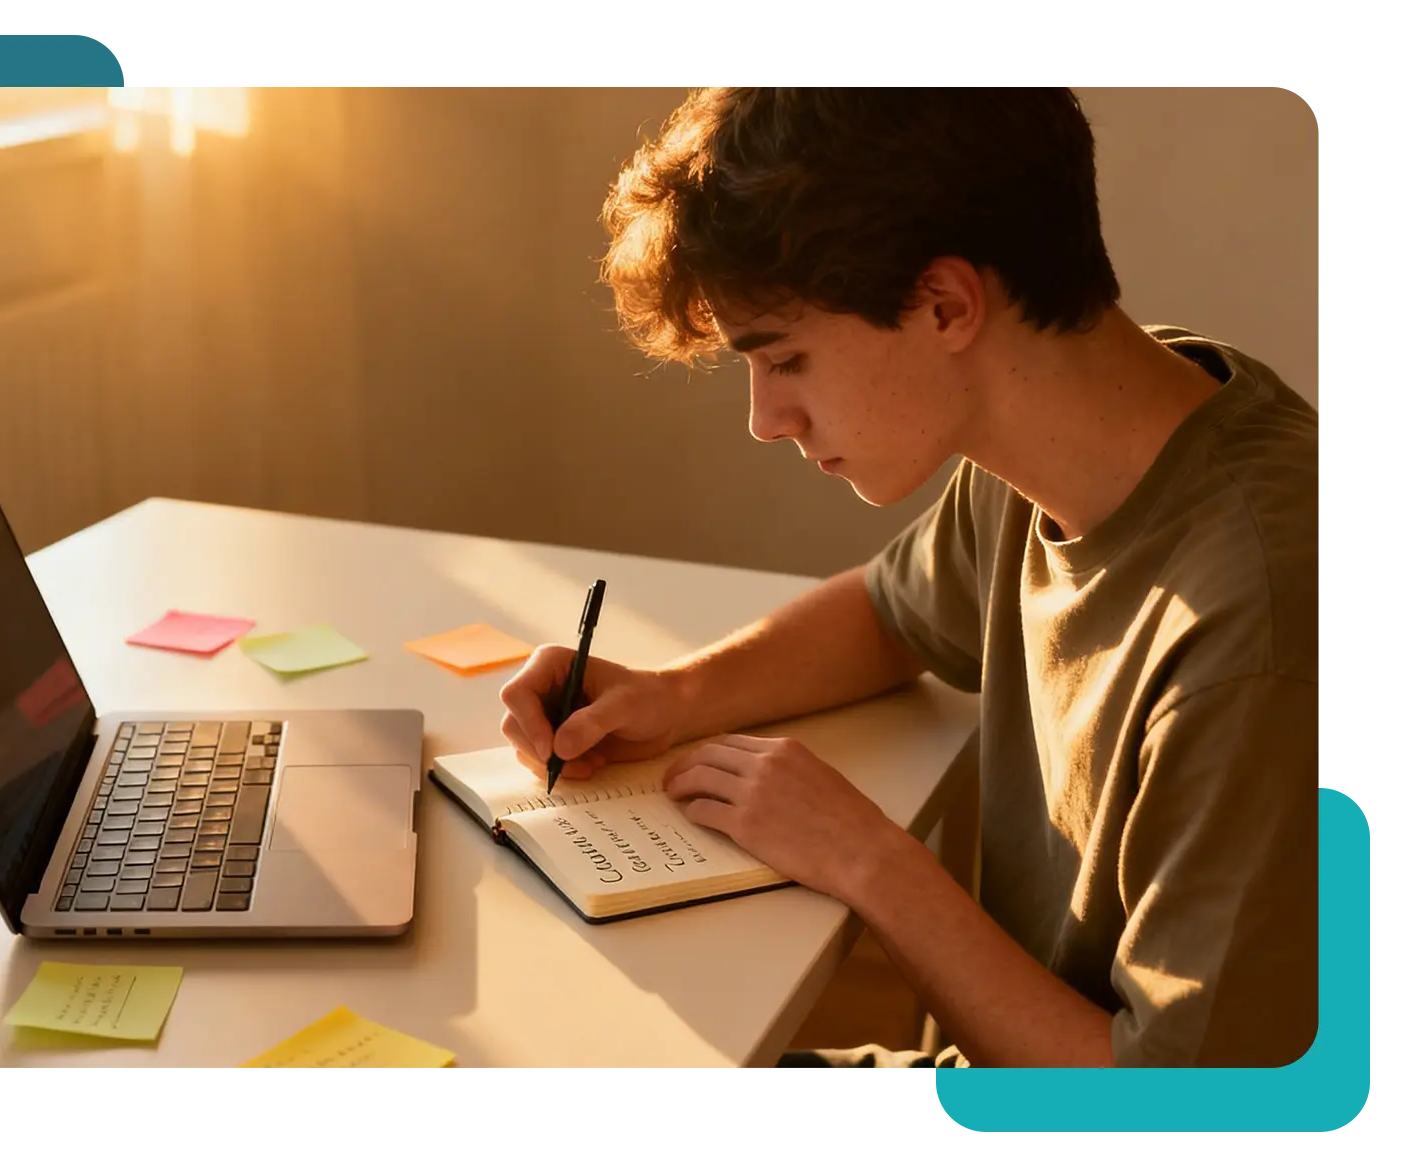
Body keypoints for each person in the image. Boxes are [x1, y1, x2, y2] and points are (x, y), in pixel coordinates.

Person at [497, 85, 1318, 1069]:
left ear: (945, 306)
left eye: (786, 358)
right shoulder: (1076, 435)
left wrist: (870, 860)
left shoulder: (1261, 628)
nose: (765, 419)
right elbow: (892, 613)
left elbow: (1173, 1122)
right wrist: (673, 695)